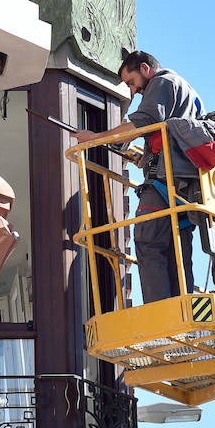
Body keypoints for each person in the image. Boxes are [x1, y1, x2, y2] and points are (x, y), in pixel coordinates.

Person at [73, 51, 202, 305]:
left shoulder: (162, 82)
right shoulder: (188, 92)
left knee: (147, 240)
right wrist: (144, 157)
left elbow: (139, 125)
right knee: (178, 250)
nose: (133, 91)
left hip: (166, 184)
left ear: (145, 68)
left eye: (131, 82)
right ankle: (182, 312)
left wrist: (95, 138)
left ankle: (161, 317)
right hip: (187, 186)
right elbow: (170, 136)